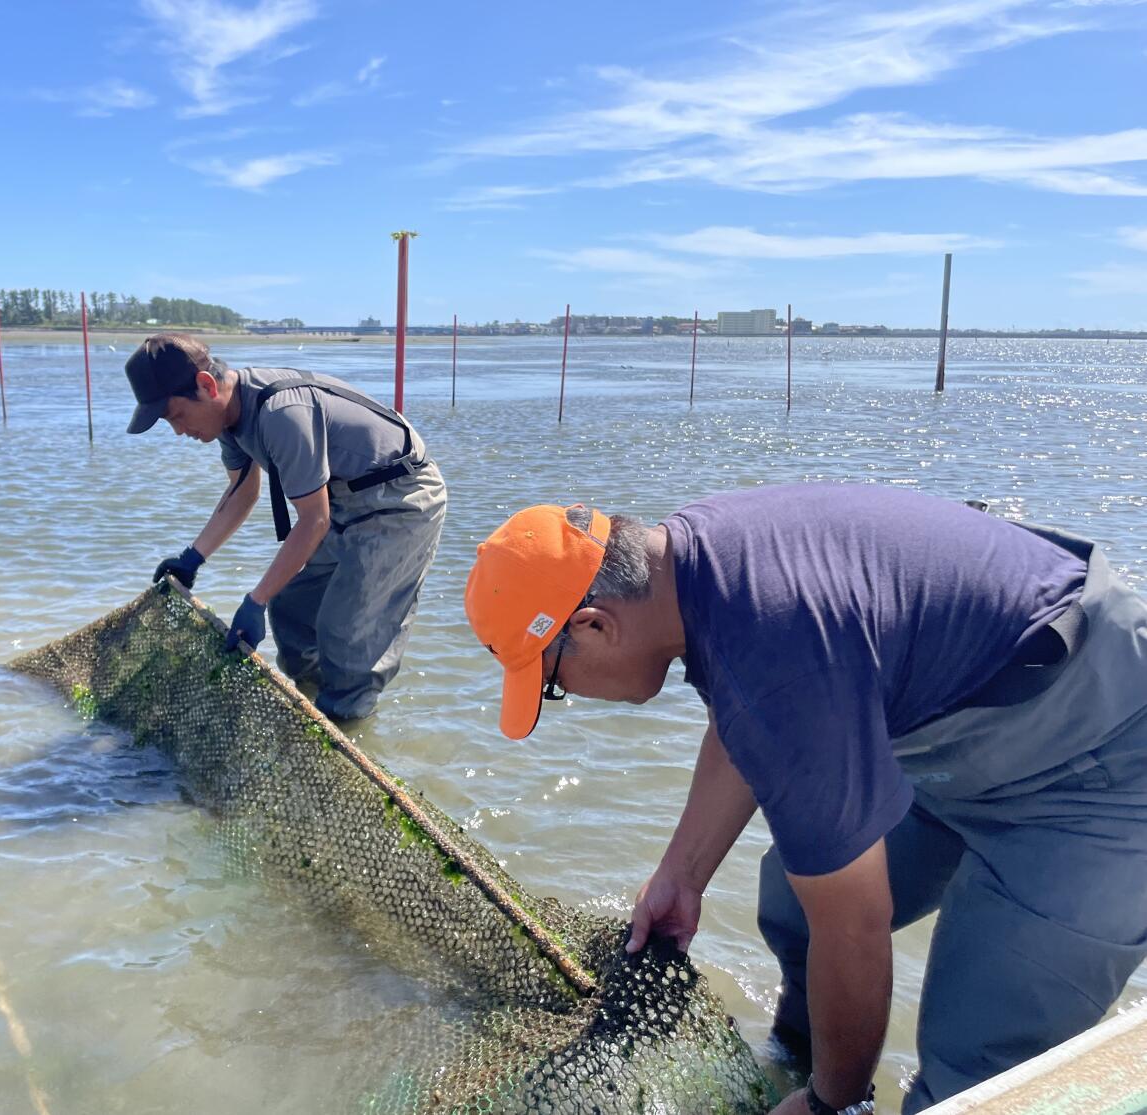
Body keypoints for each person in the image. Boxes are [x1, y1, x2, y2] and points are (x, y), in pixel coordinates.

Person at [462, 483, 1147, 1115]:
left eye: (554, 683)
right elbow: (743, 719)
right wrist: (681, 875)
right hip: (957, 731)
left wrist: (832, 1103)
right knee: (794, 906)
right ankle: (809, 1057)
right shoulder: (693, 568)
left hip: (1097, 762)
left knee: (975, 1059)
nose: (569, 697)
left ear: (592, 626)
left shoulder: (776, 645)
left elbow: (855, 921)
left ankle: (841, 1089)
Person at [124, 333, 446, 722]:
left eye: (175, 416)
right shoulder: (228, 419)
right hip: (347, 501)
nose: (178, 431)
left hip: (399, 500)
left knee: (347, 637)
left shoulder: (280, 414)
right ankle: (316, 709)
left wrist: (254, 599)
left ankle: (347, 722)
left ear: (206, 386)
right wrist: (192, 559)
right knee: (292, 611)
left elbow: (314, 520)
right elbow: (242, 493)